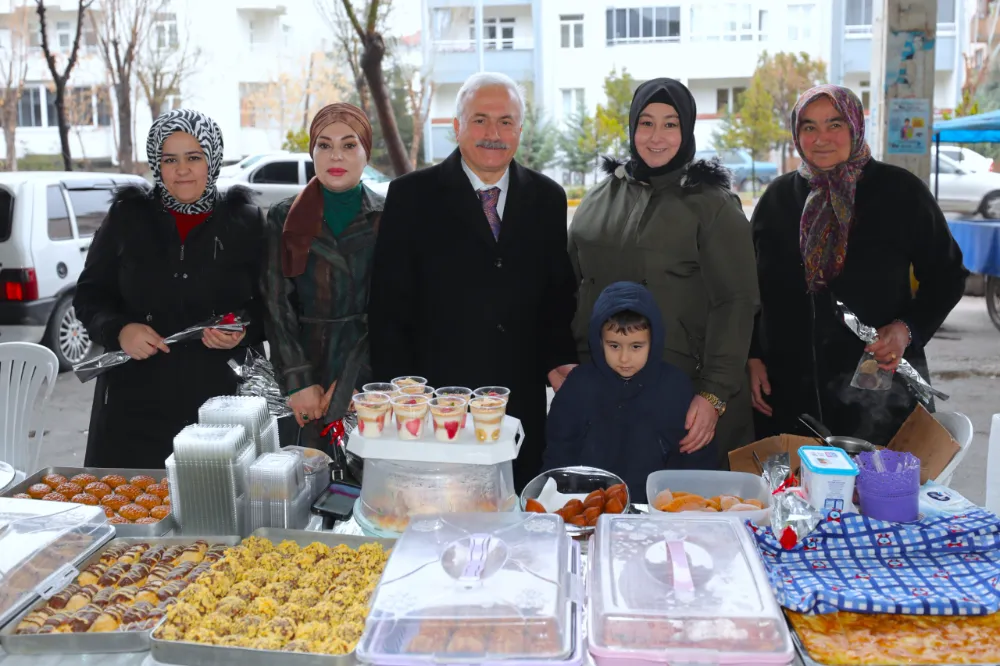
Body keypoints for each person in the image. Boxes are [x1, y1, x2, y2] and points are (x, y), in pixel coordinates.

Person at [368, 72, 577, 490]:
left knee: (514, 515)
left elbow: (557, 297)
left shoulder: (548, 199)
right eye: (480, 120)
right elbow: (388, 309)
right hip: (437, 406)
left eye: (506, 121)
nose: (493, 133)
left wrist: (559, 363)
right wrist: (404, 402)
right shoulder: (411, 197)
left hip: (519, 403)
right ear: (456, 126)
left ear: (520, 129)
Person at [748, 84, 968, 446]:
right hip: (787, 387)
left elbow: (947, 275)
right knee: (792, 491)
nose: (822, 138)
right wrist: (753, 357)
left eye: (835, 124)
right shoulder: (776, 200)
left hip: (877, 383)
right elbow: (753, 289)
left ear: (854, 126)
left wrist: (906, 328)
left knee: (878, 490)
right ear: (796, 134)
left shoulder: (900, 192)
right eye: (809, 127)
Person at [567, 78, 759, 468]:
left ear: (686, 130)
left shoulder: (712, 206)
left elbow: (736, 304)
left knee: (682, 510)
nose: (657, 137)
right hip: (607, 389)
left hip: (686, 392)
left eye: (670, 124)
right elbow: (570, 284)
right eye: (646, 123)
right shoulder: (600, 197)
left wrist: (713, 395)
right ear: (632, 126)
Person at [74, 109, 265, 469]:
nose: (182, 170)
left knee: (213, 512)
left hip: (219, 406)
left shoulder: (245, 221)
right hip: (134, 403)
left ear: (213, 158)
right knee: (131, 508)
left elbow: (271, 306)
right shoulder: (126, 218)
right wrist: (120, 330)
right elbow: (89, 296)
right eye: (169, 159)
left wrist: (243, 329)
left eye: (194, 157)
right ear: (155, 163)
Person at [261, 103, 383, 449]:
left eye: (349, 145)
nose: (336, 157)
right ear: (313, 151)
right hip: (304, 375)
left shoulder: (387, 217)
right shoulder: (284, 217)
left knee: (366, 488)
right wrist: (298, 381)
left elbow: (396, 311)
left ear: (365, 152)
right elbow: (275, 304)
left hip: (367, 372)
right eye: (325, 145)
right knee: (303, 479)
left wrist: (356, 384)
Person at [544, 282, 713, 502]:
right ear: (598, 341)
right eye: (614, 346)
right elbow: (558, 452)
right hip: (589, 508)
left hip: (657, 511)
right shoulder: (578, 386)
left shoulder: (675, 387)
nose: (624, 359)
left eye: (636, 346)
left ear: (654, 342)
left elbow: (695, 458)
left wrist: (689, 507)